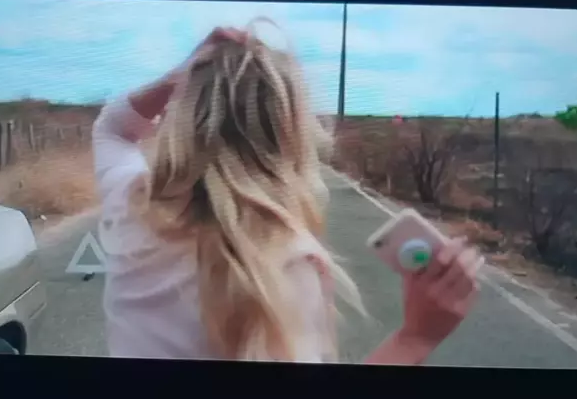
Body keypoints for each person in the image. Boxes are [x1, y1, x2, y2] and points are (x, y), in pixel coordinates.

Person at [92, 25, 483, 363]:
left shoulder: (130, 204)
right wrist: (415, 339)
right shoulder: (281, 267)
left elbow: (112, 128)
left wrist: (188, 71)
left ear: (183, 117)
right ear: (291, 132)